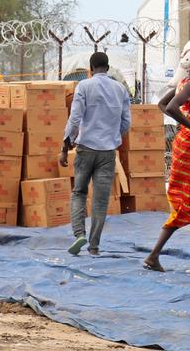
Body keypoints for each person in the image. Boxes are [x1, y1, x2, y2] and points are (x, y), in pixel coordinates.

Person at [143, 46, 190, 274]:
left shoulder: (185, 84)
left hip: (189, 142)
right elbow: (171, 107)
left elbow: (163, 105)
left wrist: (187, 125)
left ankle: (154, 255)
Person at [59, 51, 131, 256]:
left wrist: (65, 148)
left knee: (79, 193)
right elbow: (127, 122)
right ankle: (94, 246)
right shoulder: (120, 89)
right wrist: (112, 136)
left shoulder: (84, 86)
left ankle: (79, 234)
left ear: (90, 70)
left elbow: (74, 119)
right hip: (108, 152)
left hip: (85, 149)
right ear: (107, 69)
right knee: (100, 200)